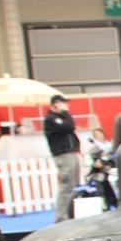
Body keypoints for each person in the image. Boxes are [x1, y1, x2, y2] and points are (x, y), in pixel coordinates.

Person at [43, 94, 81, 223]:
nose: (67, 106)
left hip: (70, 152)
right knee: (67, 186)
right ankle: (61, 217)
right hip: (63, 154)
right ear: (56, 104)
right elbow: (69, 126)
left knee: (73, 185)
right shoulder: (51, 119)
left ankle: (69, 214)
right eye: (64, 103)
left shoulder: (60, 118)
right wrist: (65, 112)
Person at [86, 127, 118, 211]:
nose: (98, 135)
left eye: (99, 133)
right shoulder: (93, 147)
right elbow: (92, 162)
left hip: (112, 169)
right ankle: (106, 205)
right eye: (96, 134)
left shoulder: (109, 145)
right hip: (101, 172)